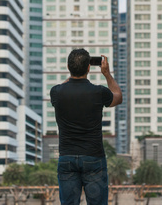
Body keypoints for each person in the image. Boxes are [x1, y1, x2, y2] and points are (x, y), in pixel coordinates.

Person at [50, 48, 123, 205]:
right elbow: (118, 97)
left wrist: (72, 75)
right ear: (89, 67)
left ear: (68, 67)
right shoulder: (98, 92)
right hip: (93, 158)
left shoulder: (56, 92)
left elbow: (65, 85)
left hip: (67, 158)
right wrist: (107, 74)